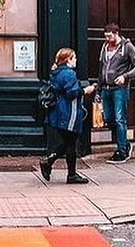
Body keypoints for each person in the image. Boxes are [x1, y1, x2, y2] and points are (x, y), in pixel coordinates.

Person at [40, 48, 96, 184]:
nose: (76, 60)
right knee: (71, 141)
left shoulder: (56, 72)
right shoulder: (69, 74)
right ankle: (58, 167)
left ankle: (55, 165)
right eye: (74, 57)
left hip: (58, 112)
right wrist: (85, 90)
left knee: (69, 142)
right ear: (68, 60)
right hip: (68, 112)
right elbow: (72, 93)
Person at [96, 23, 135, 162]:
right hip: (106, 88)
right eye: (105, 36)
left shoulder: (127, 47)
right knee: (108, 119)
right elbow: (101, 70)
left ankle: (121, 151)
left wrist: (125, 76)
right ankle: (126, 145)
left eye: (109, 36)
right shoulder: (104, 47)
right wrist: (98, 90)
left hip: (120, 89)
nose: (107, 38)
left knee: (119, 118)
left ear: (116, 33)